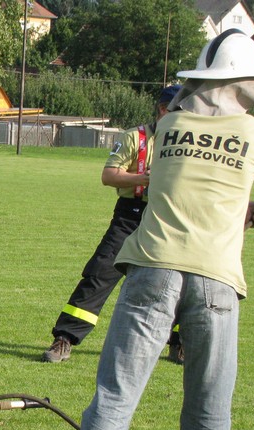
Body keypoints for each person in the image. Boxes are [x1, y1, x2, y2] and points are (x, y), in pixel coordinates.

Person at [33, 29, 254, 430]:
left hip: (152, 267)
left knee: (114, 399)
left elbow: (180, 182)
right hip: (218, 281)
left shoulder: (171, 125)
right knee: (209, 409)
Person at [42, 85, 183, 364]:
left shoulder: (187, 142)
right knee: (99, 273)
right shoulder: (136, 137)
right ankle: (65, 338)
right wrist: (143, 179)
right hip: (131, 215)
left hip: (170, 217)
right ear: (162, 109)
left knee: (181, 281)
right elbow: (109, 176)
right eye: (175, 110)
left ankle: (179, 343)